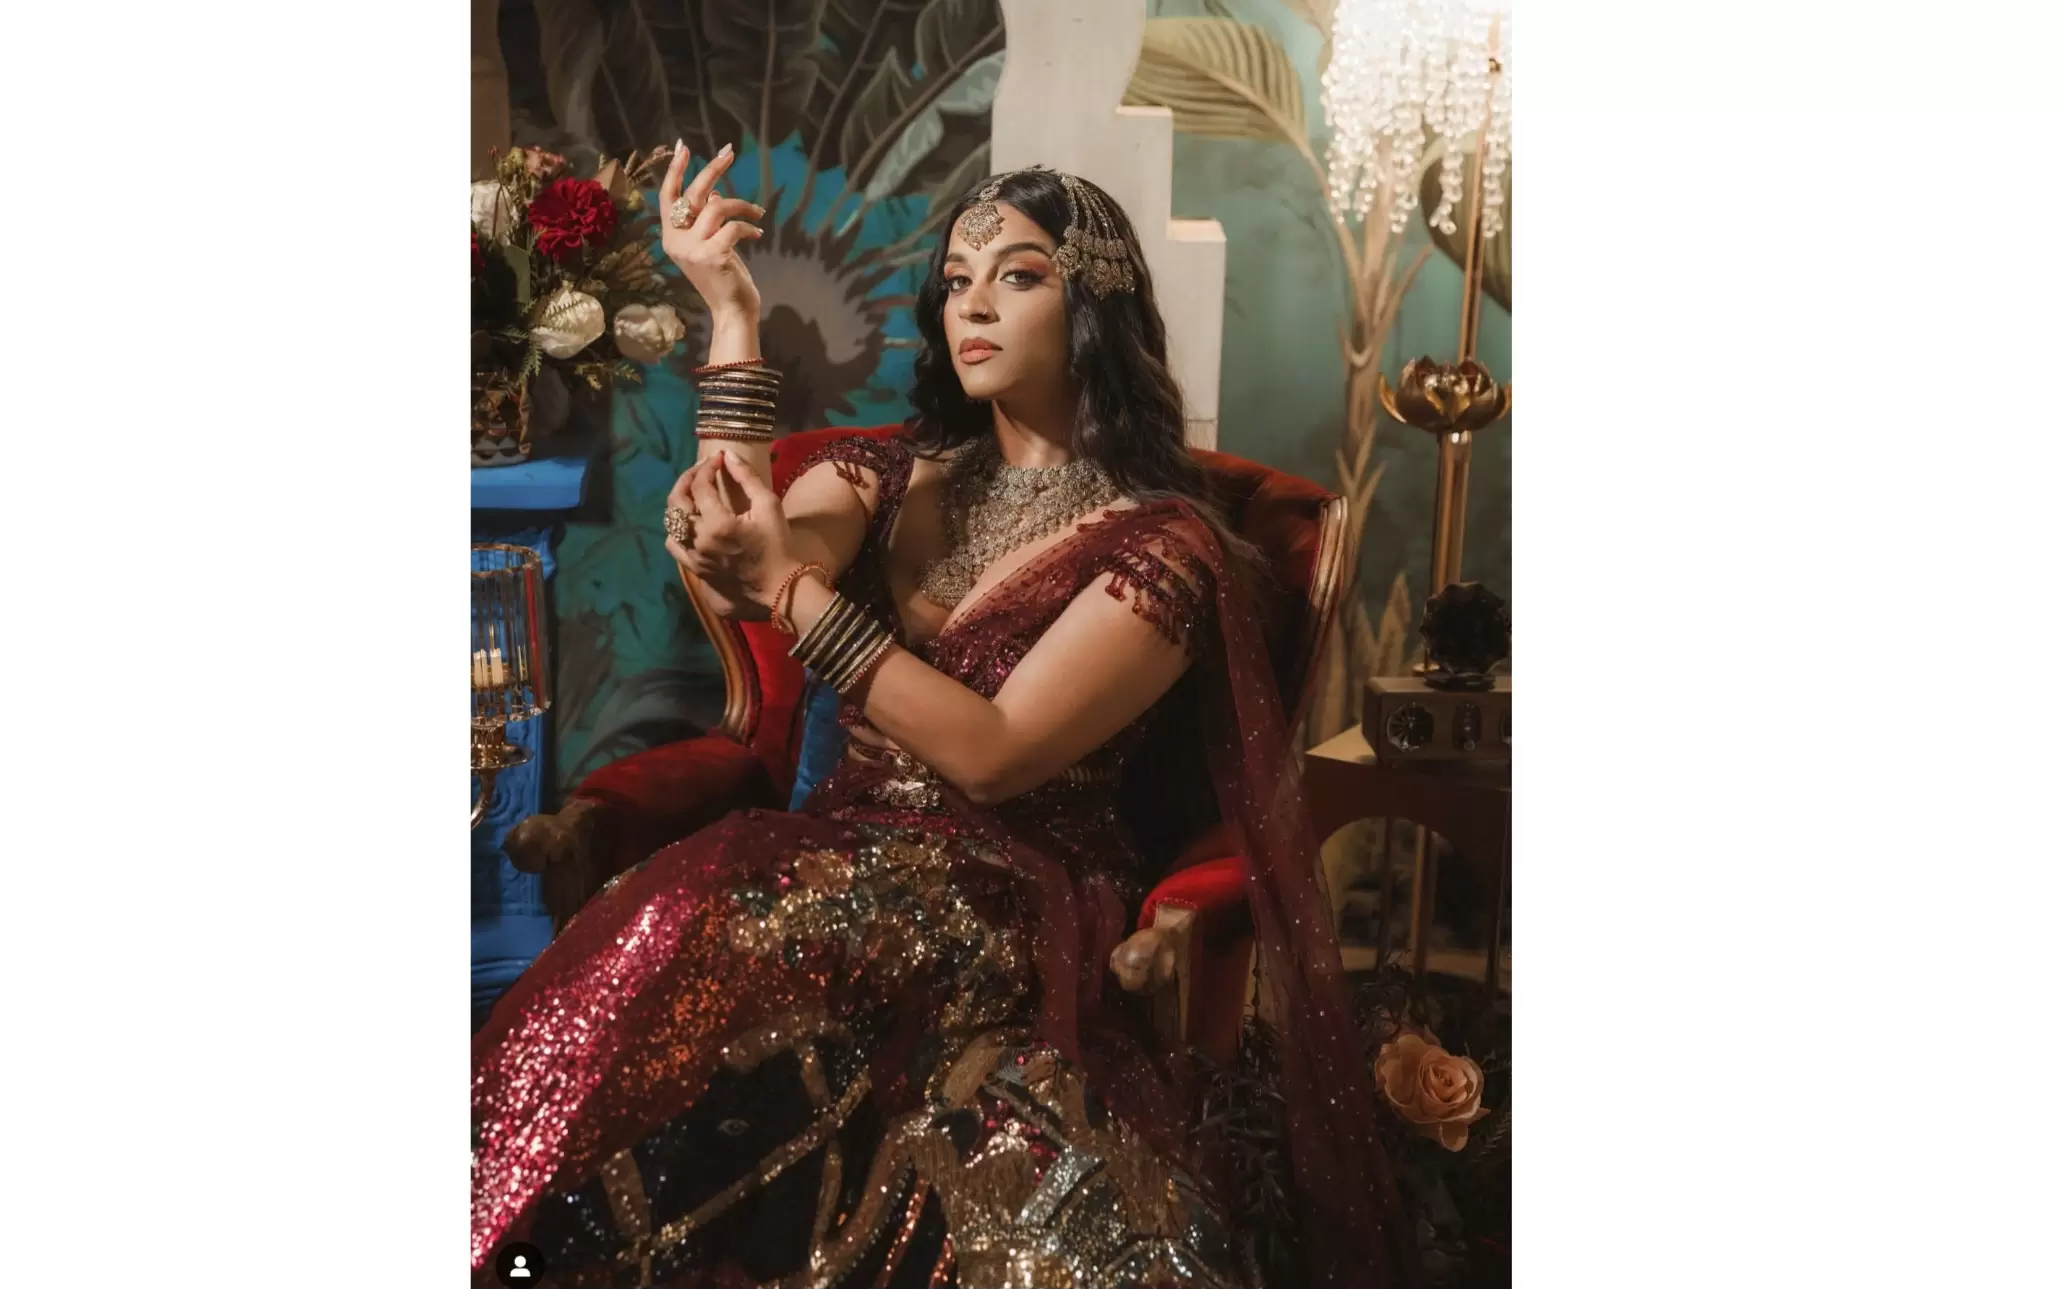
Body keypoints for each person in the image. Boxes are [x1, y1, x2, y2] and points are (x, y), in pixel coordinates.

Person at [470, 149, 1418, 1288]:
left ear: (1094, 304)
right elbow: (739, 557)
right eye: (957, 279)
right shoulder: (888, 473)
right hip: (839, 859)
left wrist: (789, 590)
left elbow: (993, 751)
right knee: (687, 932)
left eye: (1016, 275)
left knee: (732, 916)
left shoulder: (1164, 547)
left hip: (1015, 895)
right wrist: (730, 312)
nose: (971, 302)